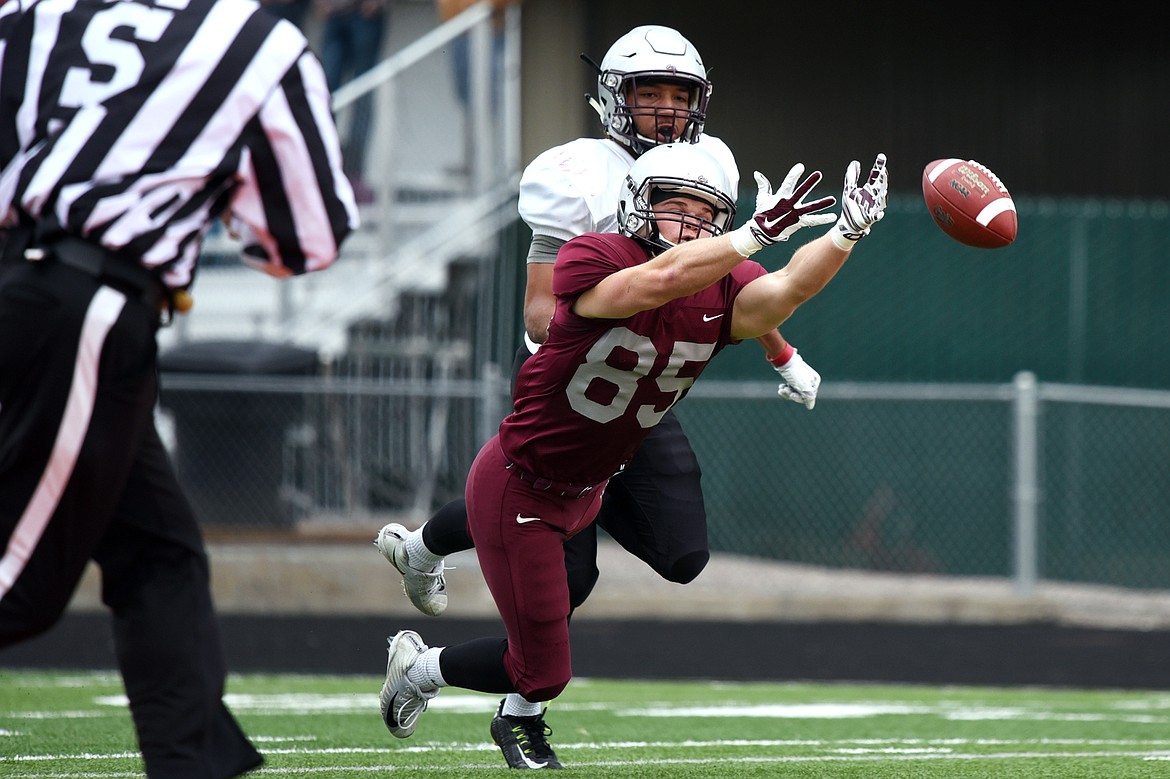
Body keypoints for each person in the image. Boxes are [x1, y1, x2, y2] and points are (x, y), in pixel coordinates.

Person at [372, 24, 825, 768]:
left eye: (681, 95)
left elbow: (733, 287)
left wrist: (781, 349)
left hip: (645, 388)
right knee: (563, 580)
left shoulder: (707, 165)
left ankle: (429, 551)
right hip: (581, 383)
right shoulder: (574, 172)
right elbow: (540, 308)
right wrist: (619, 305)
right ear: (615, 98)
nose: (667, 110)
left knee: (682, 554)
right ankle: (495, 671)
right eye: (650, 93)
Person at [0, 1, 358, 777]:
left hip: (36, 287)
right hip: (87, 302)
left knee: (159, 553)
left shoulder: (33, 13)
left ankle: (193, 764)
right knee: (19, 582)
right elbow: (311, 234)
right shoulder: (255, 41)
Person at [315, 0, 390, 203]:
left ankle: (354, 173)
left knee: (362, 94)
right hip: (334, 13)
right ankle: (327, 170)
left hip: (365, 13)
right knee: (324, 93)